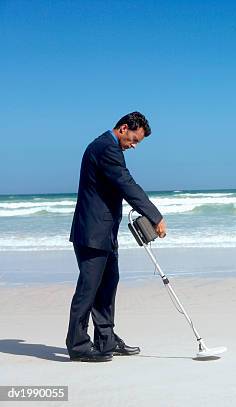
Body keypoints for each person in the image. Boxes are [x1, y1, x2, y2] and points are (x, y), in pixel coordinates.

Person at [66, 112, 167, 362]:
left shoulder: (110, 148)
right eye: (134, 140)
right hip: (91, 233)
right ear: (123, 128)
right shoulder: (105, 148)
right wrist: (155, 216)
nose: (133, 145)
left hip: (105, 233)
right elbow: (126, 183)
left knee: (108, 285)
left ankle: (106, 340)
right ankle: (78, 345)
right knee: (88, 289)